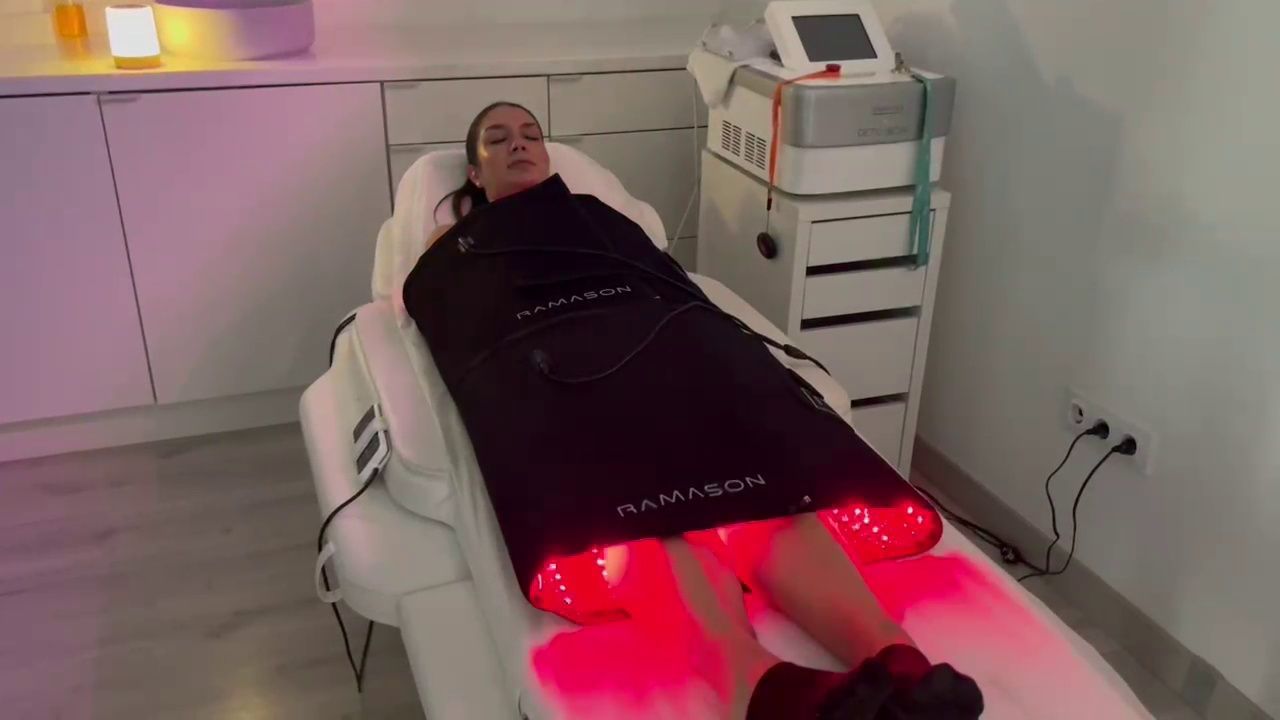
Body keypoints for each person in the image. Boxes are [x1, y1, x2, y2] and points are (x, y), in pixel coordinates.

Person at [416, 101, 982, 719]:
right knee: (635, 503)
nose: (519, 144)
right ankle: (761, 686)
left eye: (531, 134)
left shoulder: (597, 216)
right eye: (498, 139)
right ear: (475, 173)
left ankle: (899, 664)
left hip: (669, 344)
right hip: (554, 366)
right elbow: (457, 321)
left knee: (766, 486)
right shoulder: (456, 245)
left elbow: (667, 282)